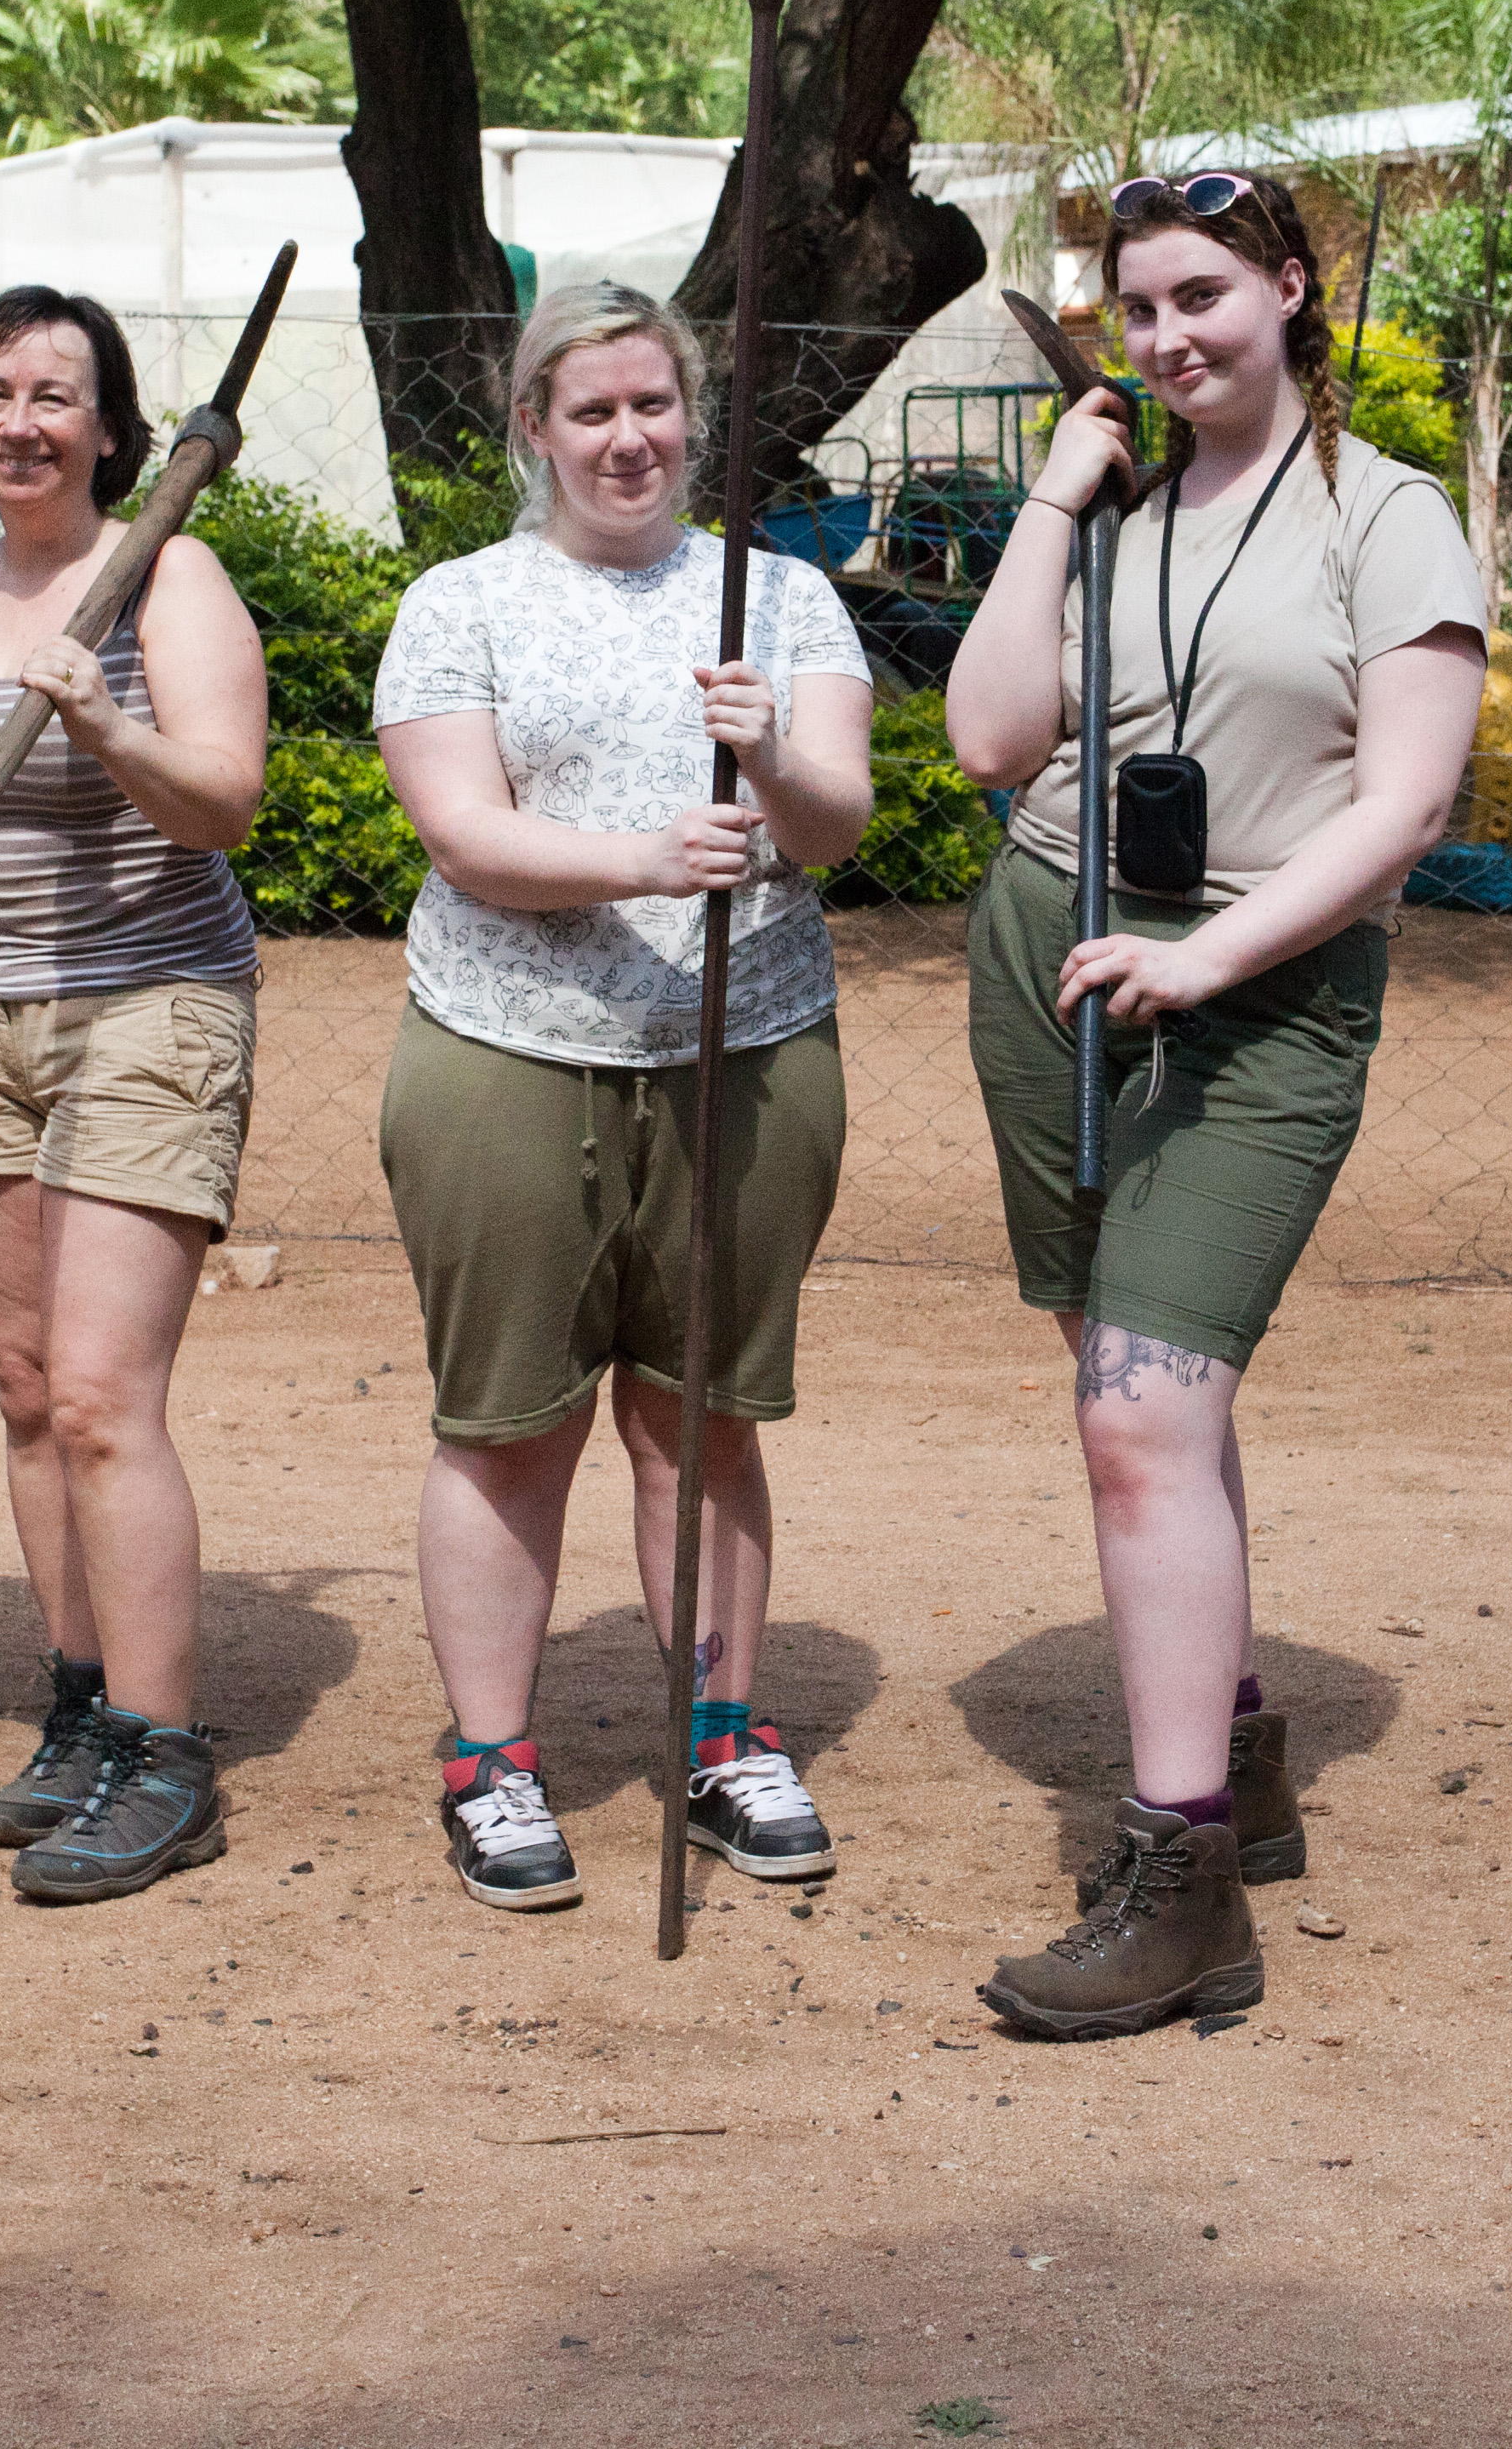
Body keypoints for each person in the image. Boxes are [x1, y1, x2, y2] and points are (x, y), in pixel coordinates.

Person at [945, 168, 1486, 2040]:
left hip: (1250, 994)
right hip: (1056, 939)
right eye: (1143, 311)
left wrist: (1209, 958)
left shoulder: (1388, 519)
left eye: (1207, 299)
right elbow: (992, 738)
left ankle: (1181, 1885)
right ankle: (1232, 1747)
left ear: (1287, 291)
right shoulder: (1127, 510)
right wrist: (1051, 507)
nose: (1176, 340)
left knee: (1141, 1413)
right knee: (1131, 1388)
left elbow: (1405, 805)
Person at [371, 281, 877, 1914]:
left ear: (692, 414)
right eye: (589, 411)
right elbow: (465, 832)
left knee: (704, 1412)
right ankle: (495, 1765)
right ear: (534, 428)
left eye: (652, 405)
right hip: (508, 1053)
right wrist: (649, 857)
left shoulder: (781, 598)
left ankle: (723, 1738)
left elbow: (840, 824)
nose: (628, 438)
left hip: (748, 1055)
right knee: (513, 1423)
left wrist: (772, 755)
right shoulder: (465, 603)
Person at [0, 286, 269, 1904]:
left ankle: (167, 1756)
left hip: (147, 1013)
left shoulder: (169, 577)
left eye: (57, 393)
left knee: (107, 1398)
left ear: (115, 427)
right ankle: (83, 1707)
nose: (19, 420)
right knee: (30, 1391)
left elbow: (226, 804)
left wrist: (107, 719)